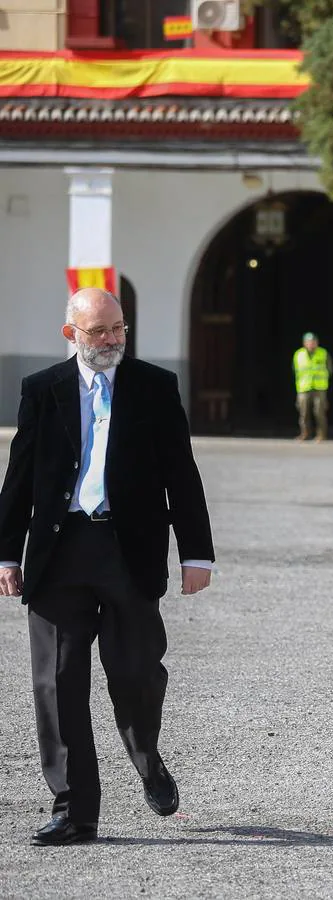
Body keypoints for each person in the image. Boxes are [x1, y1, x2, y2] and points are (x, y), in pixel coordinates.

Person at [0, 287, 215, 846]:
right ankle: (75, 810)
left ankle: (147, 754)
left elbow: (181, 474)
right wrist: (5, 552)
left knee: (136, 673)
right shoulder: (42, 390)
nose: (113, 340)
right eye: (100, 331)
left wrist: (196, 552)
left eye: (119, 328)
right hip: (59, 551)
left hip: (130, 551)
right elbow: (19, 477)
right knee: (58, 682)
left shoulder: (154, 387)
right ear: (71, 334)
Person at [293, 331, 332, 441]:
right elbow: (295, 370)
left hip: (319, 388)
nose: (311, 344)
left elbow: (329, 369)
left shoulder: (323, 353)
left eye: (313, 342)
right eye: (309, 342)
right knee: (303, 413)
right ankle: (305, 433)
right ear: (304, 343)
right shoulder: (298, 354)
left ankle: (321, 434)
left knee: (319, 412)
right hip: (303, 388)